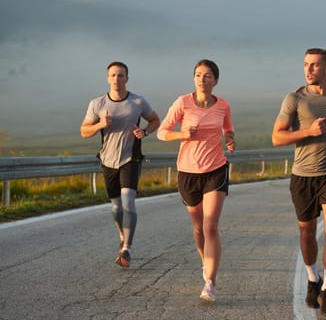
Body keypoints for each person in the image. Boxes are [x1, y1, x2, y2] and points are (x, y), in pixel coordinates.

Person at [271, 48, 326, 317]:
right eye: (306, 64)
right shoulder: (294, 99)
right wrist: (308, 131)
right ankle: (312, 277)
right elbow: (276, 137)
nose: (308, 70)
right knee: (307, 233)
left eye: (315, 65)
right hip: (302, 176)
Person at [157, 59, 235, 302]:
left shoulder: (222, 105)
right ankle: (205, 261)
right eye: (199, 74)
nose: (203, 79)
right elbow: (161, 132)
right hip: (188, 172)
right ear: (194, 79)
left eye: (208, 75)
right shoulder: (183, 103)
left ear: (216, 80)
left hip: (216, 169)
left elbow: (228, 128)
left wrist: (230, 138)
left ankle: (210, 282)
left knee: (211, 225)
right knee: (199, 227)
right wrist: (182, 134)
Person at [80, 61, 160, 268]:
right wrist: (100, 124)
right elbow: (84, 132)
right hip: (108, 160)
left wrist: (145, 132)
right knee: (116, 206)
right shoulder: (96, 104)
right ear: (108, 78)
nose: (117, 79)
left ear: (127, 78)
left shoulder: (138, 102)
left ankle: (127, 248)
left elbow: (154, 120)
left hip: (130, 159)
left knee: (128, 202)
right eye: (113, 75)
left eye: (121, 75)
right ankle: (122, 236)